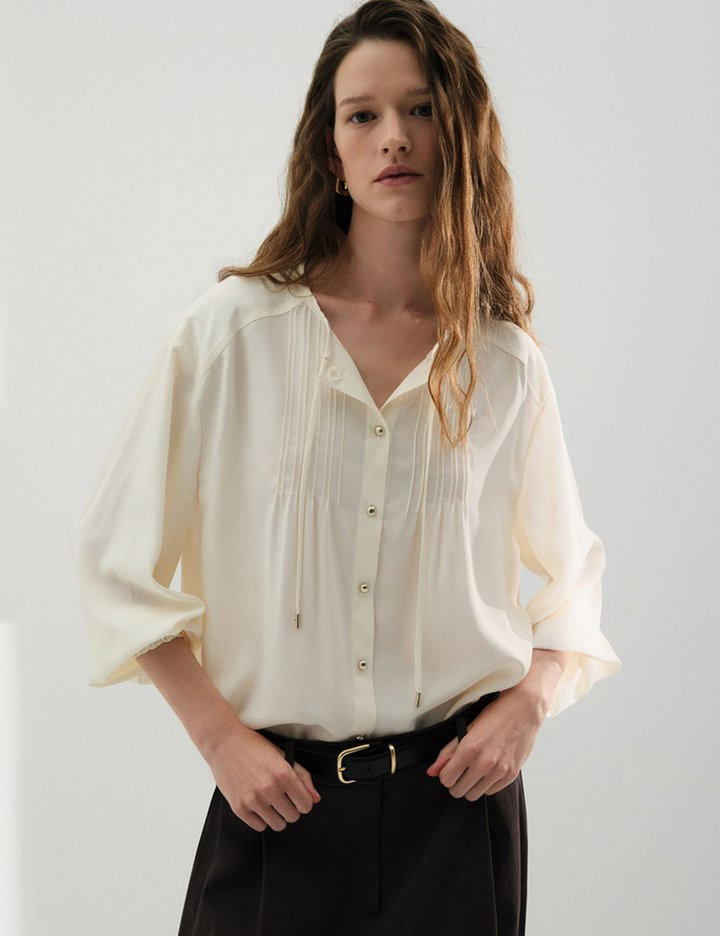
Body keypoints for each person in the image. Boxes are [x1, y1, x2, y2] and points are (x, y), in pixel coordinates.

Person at [73, 1, 621, 933]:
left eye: (420, 109)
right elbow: (114, 563)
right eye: (362, 114)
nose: (393, 136)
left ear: (459, 131)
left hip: (457, 813)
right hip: (276, 806)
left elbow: (573, 580)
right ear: (329, 151)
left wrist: (531, 700)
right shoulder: (234, 335)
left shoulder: (503, 361)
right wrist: (220, 740)